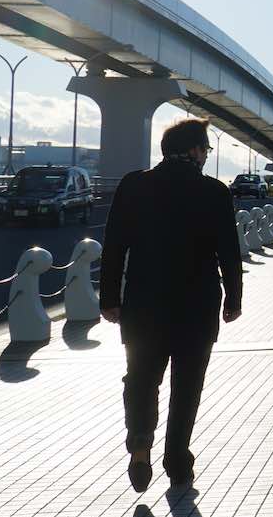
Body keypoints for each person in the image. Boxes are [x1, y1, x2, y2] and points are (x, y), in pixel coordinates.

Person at [100, 118, 243, 492]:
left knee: (141, 377)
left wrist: (109, 297)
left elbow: (115, 244)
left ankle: (140, 443)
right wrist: (234, 298)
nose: (207, 155)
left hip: (144, 301)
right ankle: (177, 459)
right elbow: (229, 250)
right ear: (195, 150)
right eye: (207, 149)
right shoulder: (214, 192)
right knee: (187, 384)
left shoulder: (134, 185)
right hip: (197, 303)